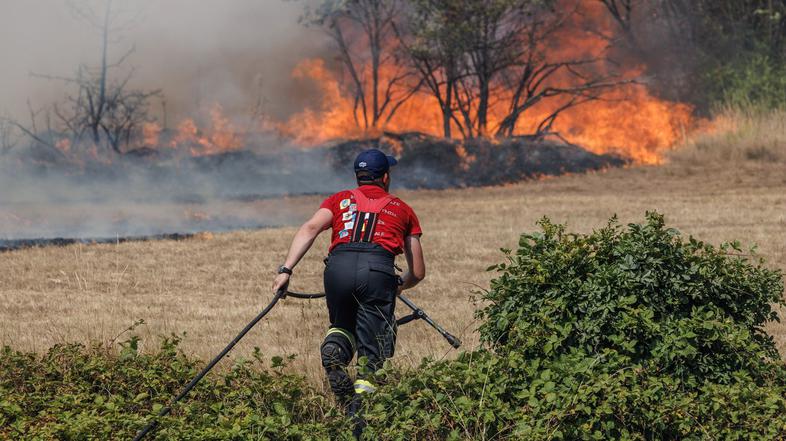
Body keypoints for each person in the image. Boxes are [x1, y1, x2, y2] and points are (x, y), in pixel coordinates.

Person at [271, 148, 426, 415]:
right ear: (385, 177)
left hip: (338, 269)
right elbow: (418, 272)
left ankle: (334, 351)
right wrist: (398, 284)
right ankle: (360, 414)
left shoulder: (339, 200)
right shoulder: (402, 209)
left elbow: (310, 228)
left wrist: (286, 270)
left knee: (342, 325)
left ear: (358, 177)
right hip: (377, 270)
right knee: (373, 346)